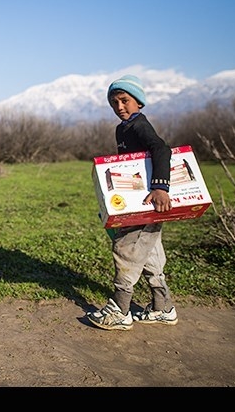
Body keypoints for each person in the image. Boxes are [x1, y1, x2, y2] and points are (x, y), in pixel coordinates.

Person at [85, 74, 177, 331]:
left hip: (148, 201)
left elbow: (161, 149)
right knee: (151, 253)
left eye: (124, 100)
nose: (120, 107)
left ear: (138, 101)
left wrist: (160, 187)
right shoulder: (122, 128)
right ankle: (163, 308)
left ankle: (120, 310)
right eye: (114, 103)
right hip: (136, 201)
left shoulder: (139, 125)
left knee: (127, 249)